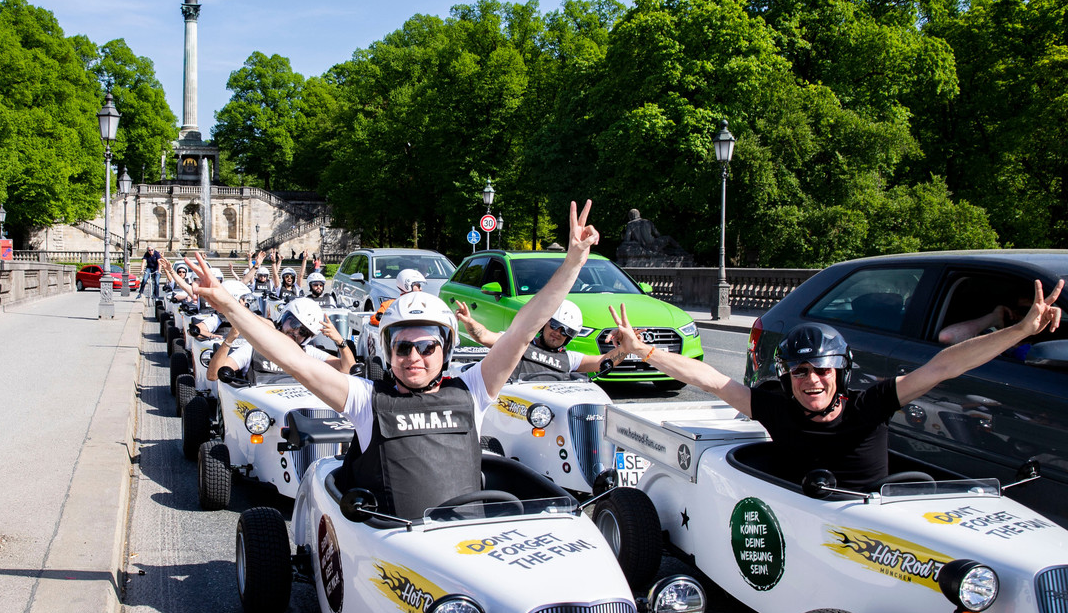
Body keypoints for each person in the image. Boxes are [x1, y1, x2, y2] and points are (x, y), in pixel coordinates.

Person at [188, 200, 598, 518]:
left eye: (427, 347)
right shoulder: (366, 400)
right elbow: (292, 359)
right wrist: (227, 304)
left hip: (467, 540)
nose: (415, 357)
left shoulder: (473, 390)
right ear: (387, 352)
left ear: (446, 351)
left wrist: (573, 262)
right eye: (403, 347)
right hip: (395, 553)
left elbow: (525, 329)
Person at [606, 278, 1063, 489]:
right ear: (787, 377)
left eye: (823, 370)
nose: (812, 381)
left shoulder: (872, 403)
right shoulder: (774, 405)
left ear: (840, 374)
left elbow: (943, 366)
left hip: (880, 522)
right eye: (801, 372)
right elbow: (708, 379)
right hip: (808, 515)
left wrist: (1020, 331)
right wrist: (643, 350)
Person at [455, 299, 626, 377]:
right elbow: (484, 336)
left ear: (570, 337)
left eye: (566, 331)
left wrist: (627, 347)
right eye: (554, 325)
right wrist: (469, 321)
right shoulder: (519, 343)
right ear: (544, 323)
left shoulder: (570, 359)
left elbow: (601, 362)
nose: (558, 332)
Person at [206, 296, 355, 381]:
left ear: (308, 337)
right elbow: (213, 375)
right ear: (284, 317)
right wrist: (229, 340)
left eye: (303, 331)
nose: (295, 332)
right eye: (294, 323)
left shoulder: (308, 353)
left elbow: (348, 370)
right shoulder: (254, 347)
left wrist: (341, 342)